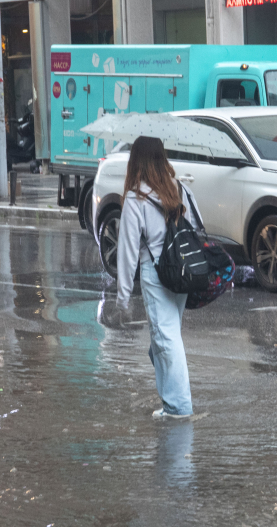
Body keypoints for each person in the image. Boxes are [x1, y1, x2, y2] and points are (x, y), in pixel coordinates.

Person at [116, 136, 201, 419]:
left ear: (135, 162)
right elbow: (198, 226)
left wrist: (123, 295)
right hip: (182, 270)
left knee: (166, 340)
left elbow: (127, 250)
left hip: (156, 273)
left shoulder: (135, 198)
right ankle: (170, 403)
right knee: (165, 338)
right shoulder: (180, 190)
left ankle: (179, 408)